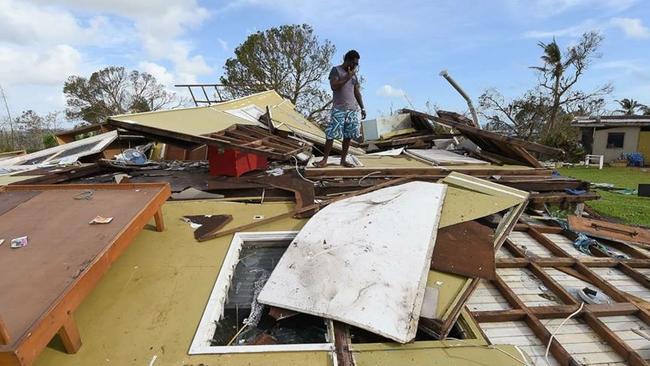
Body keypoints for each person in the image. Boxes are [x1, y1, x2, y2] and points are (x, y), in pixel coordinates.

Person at [314, 49, 366, 168]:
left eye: (357, 64)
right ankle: (324, 160)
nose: (355, 66)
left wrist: (362, 108)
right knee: (331, 134)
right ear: (347, 60)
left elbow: (356, 92)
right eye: (354, 63)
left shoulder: (354, 75)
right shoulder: (336, 70)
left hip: (352, 109)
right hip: (339, 109)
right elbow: (334, 86)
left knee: (348, 135)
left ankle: (343, 160)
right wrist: (348, 76)